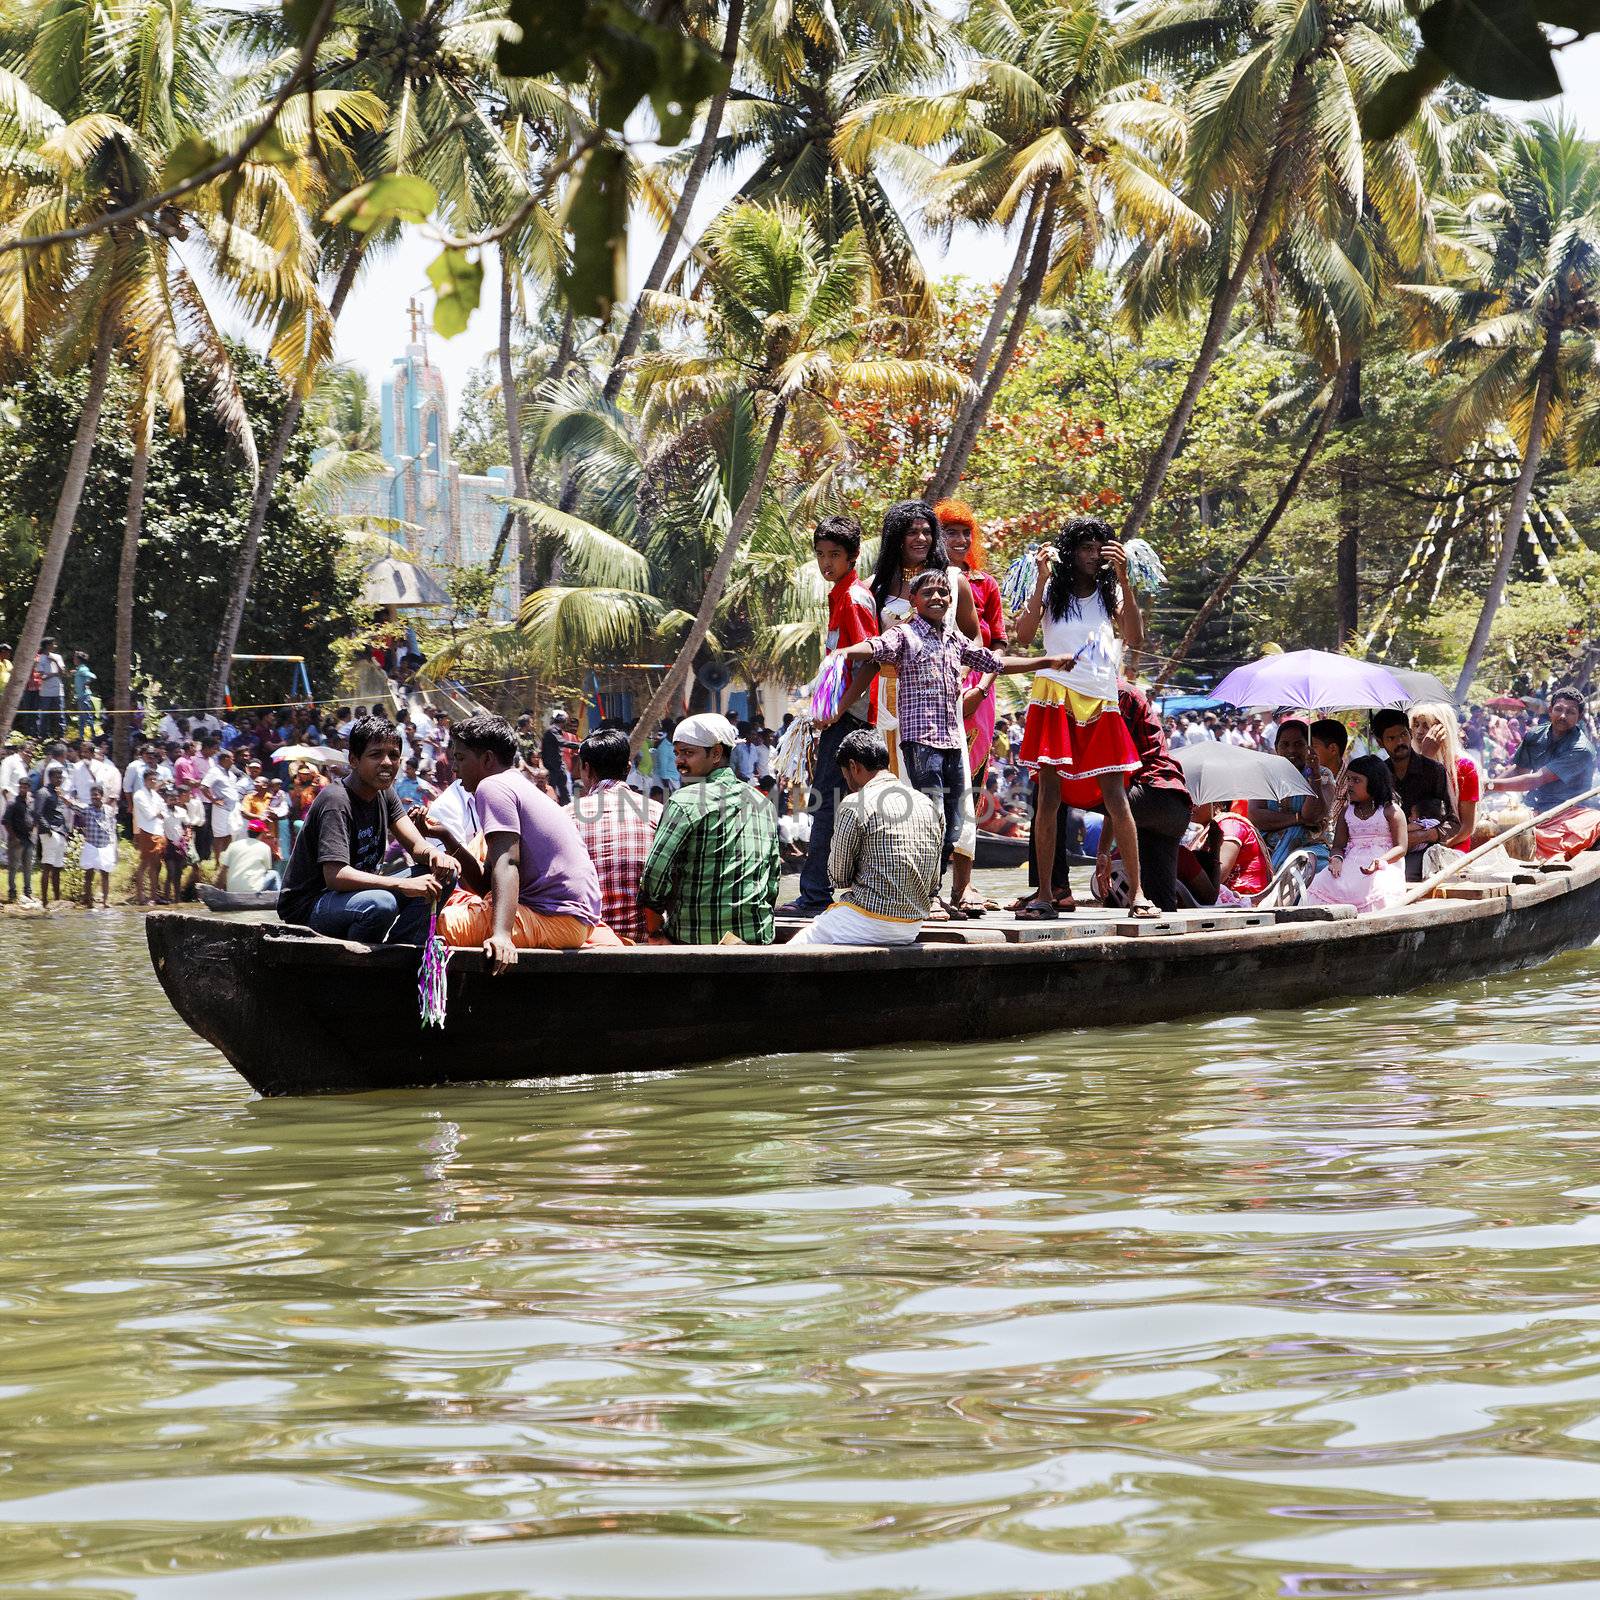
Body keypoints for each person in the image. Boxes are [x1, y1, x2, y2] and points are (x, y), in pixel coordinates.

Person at [830, 569, 1062, 901]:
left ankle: (932, 890)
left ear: (950, 599)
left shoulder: (954, 639)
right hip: (920, 742)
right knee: (932, 818)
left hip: (952, 742)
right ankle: (930, 895)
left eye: (942, 593)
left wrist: (1046, 661)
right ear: (914, 600)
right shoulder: (904, 635)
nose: (937, 597)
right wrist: (845, 653)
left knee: (953, 824)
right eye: (928, 593)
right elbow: (874, 646)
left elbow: (995, 662)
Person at [1013, 517, 1152, 919]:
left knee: (1115, 796)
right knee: (1049, 798)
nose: (1093, 555)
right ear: (1071, 552)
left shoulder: (1111, 594)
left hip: (1101, 699)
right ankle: (1044, 894)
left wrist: (1125, 577)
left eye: (1099, 548)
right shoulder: (1052, 593)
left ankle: (1139, 893)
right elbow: (1023, 636)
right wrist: (1040, 579)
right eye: (1086, 548)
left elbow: (1135, 634)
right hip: (1055, 698)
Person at [419, 713, 608, 964]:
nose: (454, 768)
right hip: (569, 919)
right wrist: (446, 837)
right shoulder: (514, 783)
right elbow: (488, 884)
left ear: (487, 759)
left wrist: (501, 935)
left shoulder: (492, 786)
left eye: (461, 758)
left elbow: (507, 862)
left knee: (429, 923)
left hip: (553, 917)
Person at [277, 714, 454, 946]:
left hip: (352, 897)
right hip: (310, 906)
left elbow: (416, 845)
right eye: (375, 755)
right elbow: (336, 877)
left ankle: (401, 952)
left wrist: (435, 855)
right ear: (354, 760)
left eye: (393, 755)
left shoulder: (385, 792)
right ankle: (360, 968)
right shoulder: (335, 800)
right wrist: (402, 884)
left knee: (444, 874)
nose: (387, 763)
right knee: (380, 904)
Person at [782, 514, 881, 918]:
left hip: (850, 720)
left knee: (826, 804)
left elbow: (870, 658)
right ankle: (835, 891)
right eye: (821, 555)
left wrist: (838, 710)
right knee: (837, 805)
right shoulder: (840, 594)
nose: (827, 563)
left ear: (853, 556)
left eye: (835, 555)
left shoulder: (854, 598)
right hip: (843, 717)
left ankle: (815, 895)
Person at [788, 727, 944, 947]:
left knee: (795, 948)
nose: (846, 782)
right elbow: (933, 884)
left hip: (867, 921)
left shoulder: (854, 804)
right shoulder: (927, 804)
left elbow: (839, 877)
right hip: (911, 926)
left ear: (853, 766)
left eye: (844, 774)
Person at [638, 712, 781, 945]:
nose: (679, 761)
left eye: (688, 753)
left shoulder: (684, 801)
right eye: (677, 753)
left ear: (716, 754)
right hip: (755, 938)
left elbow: (654, 875)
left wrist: (655, 933)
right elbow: (772, 880)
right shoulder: (763, 803)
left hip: (693, 939)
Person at [936, 498, 1007, 918]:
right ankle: (926, 885)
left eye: (965, 532)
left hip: (978, 691)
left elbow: (997, 643)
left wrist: (981, 688)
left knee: (971, 785)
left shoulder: (985, 584)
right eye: (950, 531)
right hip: (932, 691)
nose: (960, 540)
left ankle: (964, 885)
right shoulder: (923, 583)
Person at [1087, 680, 1194, 912]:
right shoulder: (1109, 692)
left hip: (1157, 793)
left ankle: (1056, 889)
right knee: (1161, 901)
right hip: (1168, 807)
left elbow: (1112, 777)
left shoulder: (1117, 693)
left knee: (1057, 789)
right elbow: (1116, 800)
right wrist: (1103, 852)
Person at [568, 727, 661, 944]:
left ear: (586, 768)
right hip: (646, 944)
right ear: (628, 768)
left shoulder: (565, 816)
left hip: (588, 943)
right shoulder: (658, 812)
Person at [1307, 754, 1408, 912]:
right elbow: (1338, 845)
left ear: (1374, 782)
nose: (1350, 785)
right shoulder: (1347, 811)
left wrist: (1379, 861)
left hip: (1383, 866)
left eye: (1356, 780)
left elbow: (1401, 848)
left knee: (1377, 885)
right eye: (1348, 779)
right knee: (1322, 880)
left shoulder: (1391, 811)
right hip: (1351, 864)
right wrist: (1337, 859)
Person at [1370, 707, 1458, 880]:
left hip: (1425, 852)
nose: (1400, 742)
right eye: (1391, 738)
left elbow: (1454, 822)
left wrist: (1425, 835)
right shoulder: (1377, 775)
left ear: (1410, 734)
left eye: (1403, 735)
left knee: (1399, 877)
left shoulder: (1434, 771)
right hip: (1384, 848)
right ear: (1380, 742)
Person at [1488, 686, 1597, 812]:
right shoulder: (1535, 734)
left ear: (1579, 717)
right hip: (1533, 807)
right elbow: (1519, 771)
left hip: (1569, 813)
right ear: (1550, 710)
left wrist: (1489, 785)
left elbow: (1537, 779)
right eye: (1558, 709)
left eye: (1570, 712)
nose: (1562, 716)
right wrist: (1483, 790)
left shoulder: (1582, 749)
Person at [1249, 719, 1333, 872]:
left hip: (1311, 848)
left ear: (1309, 747)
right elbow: (1256, 815)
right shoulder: (1265, 775)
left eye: (1298, 744)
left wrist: (1314, 777)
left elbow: (1313, 816)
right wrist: (1298, 818)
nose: (1291, 750)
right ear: (1276, 747)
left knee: (1318, 873)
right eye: (1285, 744)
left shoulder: (1322, 774)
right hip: (1268, 849)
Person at [1410, 702, 1478, 852]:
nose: (1419, 732)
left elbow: (1467, 827)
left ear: (1443, 731)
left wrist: (1439, 847)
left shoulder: (1464, 768)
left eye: (1426, 726)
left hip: (1451, 847)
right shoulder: (1407, 764)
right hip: (1413, 845)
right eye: (1416, 725)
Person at [1180, 802, 1272, 905]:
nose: (1191, 805)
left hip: (1243, 900)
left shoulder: (1229, 825)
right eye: (1189, 801)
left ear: (1216, 804)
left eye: (1196, 802)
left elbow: (1216, 879)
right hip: (1220, 898)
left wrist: (1215, 846)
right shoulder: (1206, 829)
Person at [131, 766, 169, 905]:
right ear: (145, 780)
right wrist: (158, 812)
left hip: (158, 831)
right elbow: (149, 814)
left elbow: (164, 810)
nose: (153, 781)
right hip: (147, 832)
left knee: (156, 864)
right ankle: (140, 897)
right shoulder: (139, 795)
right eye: (150, 779)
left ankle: (154, 896)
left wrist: (159, 813)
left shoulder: (155, 794)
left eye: (155, 779)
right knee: (144, 864)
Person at [205, 747, 247, 864]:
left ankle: (226, 862)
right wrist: (213, 800)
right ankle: (218, 863)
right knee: (220, 836)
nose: (234, 761)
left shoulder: (231, 774)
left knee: (229, 835)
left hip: (232, 809)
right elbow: (204, 787)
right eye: (232, 759)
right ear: (225, 759)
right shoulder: (215, 771)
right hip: (221, 809)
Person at [77, 782, 116, 907]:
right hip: (91, 845)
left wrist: (115, 845)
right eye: (92, 796)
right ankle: (88, 901)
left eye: (96, 795)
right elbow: (73, 806)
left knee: (105, 873)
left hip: (105, 845)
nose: (94, 798)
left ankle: (105, 901)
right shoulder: (87, 809)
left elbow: (112, 828)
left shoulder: (109, 810)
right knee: (89, 873)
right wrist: (63, 797)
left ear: (102, 796)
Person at [220, 816, 278, 893]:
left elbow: (223, 869)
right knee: (274, 873)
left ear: (248, 832)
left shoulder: (233, 845)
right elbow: (267, 868)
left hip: (232, 889)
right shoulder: (265, 847)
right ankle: (279, 899)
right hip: (253, 889)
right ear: (262, 833)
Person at [36, 767, 68, 905]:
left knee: (57, 868)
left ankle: (56, 899)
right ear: (50, 777)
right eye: (56, 777)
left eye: (60, 777)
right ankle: (44, 901)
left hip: (60, 832)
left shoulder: (57, 792)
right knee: (47, 866)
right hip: (50, 832)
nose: (59, 780)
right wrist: (48, 829)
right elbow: (37, 813)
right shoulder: (43, 792)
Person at [4, 772, 35, 905]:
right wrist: (14, 837)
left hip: (28, 839)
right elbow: (5, 821)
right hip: (16, 840)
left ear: (29, 788)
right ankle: (12, 893)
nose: (22, 789)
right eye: (21, 787)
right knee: (13, 867)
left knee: (28, 867)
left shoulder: (31, 802)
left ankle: (27, 893)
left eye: (25, 787)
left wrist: (33, 831)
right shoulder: (13, 803)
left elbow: (35, 818)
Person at [32, 635, 66, 736]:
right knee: (44, 714)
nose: (55, 646)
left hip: (58, 690)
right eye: (53, 644)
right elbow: (42, 677)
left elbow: (62, 672)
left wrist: (55, 662)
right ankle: (43, 735)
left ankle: (60, 735)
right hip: (45, 692)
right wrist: (54, 674)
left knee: (59, 713)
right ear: (47, 645)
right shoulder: (40, 659)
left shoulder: (58, 657)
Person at [540, 710, 575, 805]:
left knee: (563, 788)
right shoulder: (552, 731)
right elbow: (562, 742)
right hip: (553, 767)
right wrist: (579, 745)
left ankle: (566, 806)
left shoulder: (556, 731)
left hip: (559, 765)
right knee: (551, 788)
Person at [70, 650, 96, 737]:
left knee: (87, 715)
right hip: (80, 696)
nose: (73, 659)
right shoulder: (79, 669)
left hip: (84, 696)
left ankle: (93, 734)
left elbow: (93, 676)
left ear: (78, 660)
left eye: (75, 658)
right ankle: (81, 736)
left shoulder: (83, 669)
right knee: (81, 717)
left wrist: (86, 683)